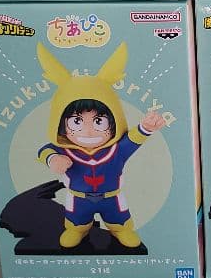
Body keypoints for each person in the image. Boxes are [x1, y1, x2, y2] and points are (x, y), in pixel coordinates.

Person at [37, 41, 165, 249]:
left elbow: (133, 139)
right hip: (79, 199)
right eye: (76, 122)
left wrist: (146, 127)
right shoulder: (66, 150)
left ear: (114, 120)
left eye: (99, 121)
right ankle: (76, 229)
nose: (89, 131)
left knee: (120, 219)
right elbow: (44, 150)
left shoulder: (116, 150)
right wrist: (53, 159)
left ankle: (121, 229)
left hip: (112, 198)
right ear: (61, 123)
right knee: (76, 222)